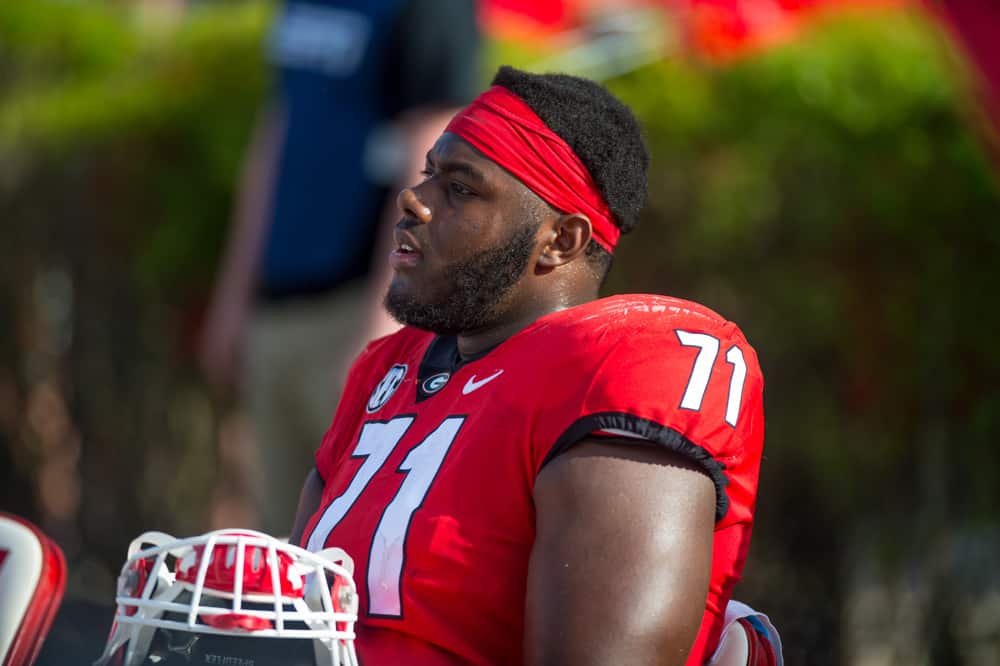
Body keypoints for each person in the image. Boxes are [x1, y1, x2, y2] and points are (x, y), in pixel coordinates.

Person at [290, 66, 767, 665]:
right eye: (429, 174)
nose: (414, 200)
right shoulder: (388, 367)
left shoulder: (618, 367)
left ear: (561, 240)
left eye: (461, 188)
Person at [198, 0, 480, 535]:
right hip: (278, 305)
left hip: (355, 309)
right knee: (273, 554)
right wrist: (234, 295)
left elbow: (433, 151)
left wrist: (384, 321)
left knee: (350, 548)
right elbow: (279, 133)